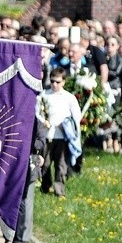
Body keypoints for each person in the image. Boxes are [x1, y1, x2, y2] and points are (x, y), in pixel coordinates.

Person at [38, 67, 81, 198]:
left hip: (62, 136)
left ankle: (59, 190)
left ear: (63, 82)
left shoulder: (69, 98)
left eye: (57, 82)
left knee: (61, 165)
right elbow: (38, 112)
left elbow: (76, 116)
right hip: (47, 135)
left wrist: (68, 125)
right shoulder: (44, 95)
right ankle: (45, 186)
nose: (54, 84)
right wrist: (43, 120)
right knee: (45, 163)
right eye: (52, 81)